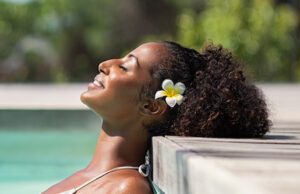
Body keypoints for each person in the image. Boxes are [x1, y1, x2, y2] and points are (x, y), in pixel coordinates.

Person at [42, 41, 270, 193]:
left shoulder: (127, 188)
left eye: (124, 67)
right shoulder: (88, 176)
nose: (105, 65)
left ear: (151, 107)